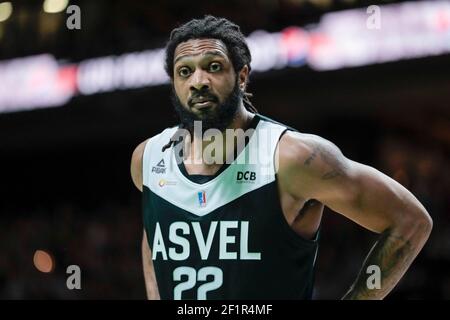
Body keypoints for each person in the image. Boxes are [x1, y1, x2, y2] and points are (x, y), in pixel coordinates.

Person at [130, 15, 432, 300]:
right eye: (185, 71)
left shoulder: (292, 157)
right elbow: (153, 233)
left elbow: (410, 220)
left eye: (214, 66)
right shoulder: (148, 158)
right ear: (174, 83)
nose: (199, 81)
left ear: (242, 76)